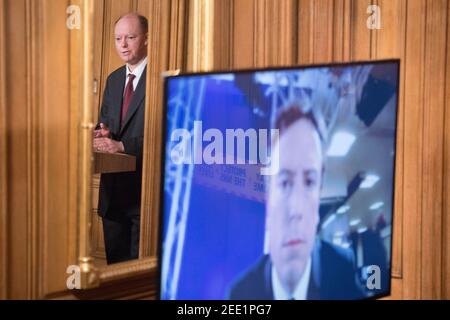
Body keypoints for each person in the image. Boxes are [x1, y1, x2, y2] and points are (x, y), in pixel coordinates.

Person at [228, 102, 364, 299]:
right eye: (284, 183)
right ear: (267, 195)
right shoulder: (239, 295)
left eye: (309, 182)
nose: (296, 209)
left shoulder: (343, 273)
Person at [93, 13, 148, 264]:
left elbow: (167, 134)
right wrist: (102, 133)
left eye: (130, 37)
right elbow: (105, 121)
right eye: (118, 38)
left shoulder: (162, 77)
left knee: (137, 277)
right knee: (114, 271)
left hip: (143, 193)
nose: (123, 44)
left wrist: (123, 145)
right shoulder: (113, 79)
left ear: (147, 39)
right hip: (112, 195)